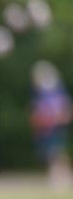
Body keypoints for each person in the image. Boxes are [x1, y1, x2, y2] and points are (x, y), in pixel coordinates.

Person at [29, 60, 73, 188]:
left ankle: (61, 176)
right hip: (47, 127)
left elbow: (64, 108)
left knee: (56, 152)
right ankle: (58, 175)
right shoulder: (42, 93)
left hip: (55, 126)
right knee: (52, 152)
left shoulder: (53, 91)